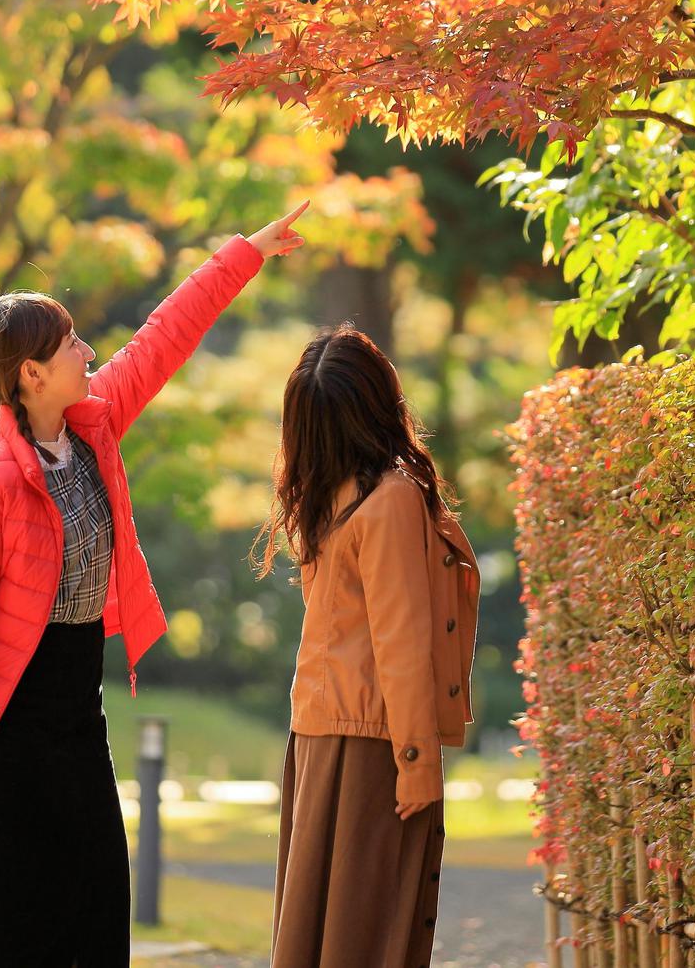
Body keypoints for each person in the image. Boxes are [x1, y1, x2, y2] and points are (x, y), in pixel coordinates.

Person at [0, 203, 307, 968]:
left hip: (77, 713)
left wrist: (246, 253)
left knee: (99, 918)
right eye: (70, 345)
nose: (89, 351)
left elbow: (165, 335)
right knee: (8, 935)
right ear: (30, 373)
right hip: (6, 735)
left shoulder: (94, 423)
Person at [254, 324, 482, 968]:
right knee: (376, 935)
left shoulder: (328, 497)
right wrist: (417, 760)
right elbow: (400, 641)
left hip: (320, 739)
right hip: (376, 743)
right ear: (383, 400)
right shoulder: (393, 498)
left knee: (320, 934)